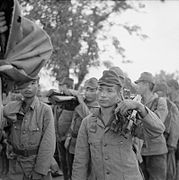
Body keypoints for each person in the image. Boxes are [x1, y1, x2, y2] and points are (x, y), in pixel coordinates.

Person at [72, 70, 166, 180]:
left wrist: (140, 107)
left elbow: (157, 131)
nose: (103, 94)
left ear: (118, 95)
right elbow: (80, 161)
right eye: (100, 89)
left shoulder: (128, 118)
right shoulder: (87, 123)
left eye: (109, 91)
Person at [0, 77, 56, 180]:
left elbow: (48, 144)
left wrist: (40, 170)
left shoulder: (45, 110)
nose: (28, 87)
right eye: (24, 84)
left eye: (33, 83)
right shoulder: (12, 109)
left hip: (35, 164)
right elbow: (3, 125)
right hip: (16, 166)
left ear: (38, 86)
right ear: (19, 87)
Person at [135, 72, 168, 180]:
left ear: (147, 84)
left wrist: (141, 111)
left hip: (156, 152)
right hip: (141, 152)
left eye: (139, 83)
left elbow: (157, 123)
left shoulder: (160, 102)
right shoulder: (137, 102)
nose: (137, 86)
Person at [65, 77, 99, 179]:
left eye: (92, 90)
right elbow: (73, 121)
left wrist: (81, 103)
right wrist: (69, 136)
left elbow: (89, 118)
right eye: (87, 90)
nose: (88, 93)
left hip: (87, 144)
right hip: (73, 142)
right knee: (70, 170)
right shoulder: (81, 103)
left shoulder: (98, 106)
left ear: (98, 91)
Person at [154, 81, 179, 180]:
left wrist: (172, 143)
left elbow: (175, 125)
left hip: (171, 141)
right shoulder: (168, 102)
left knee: (171, 170)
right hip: (166, 141)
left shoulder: (172, 104)